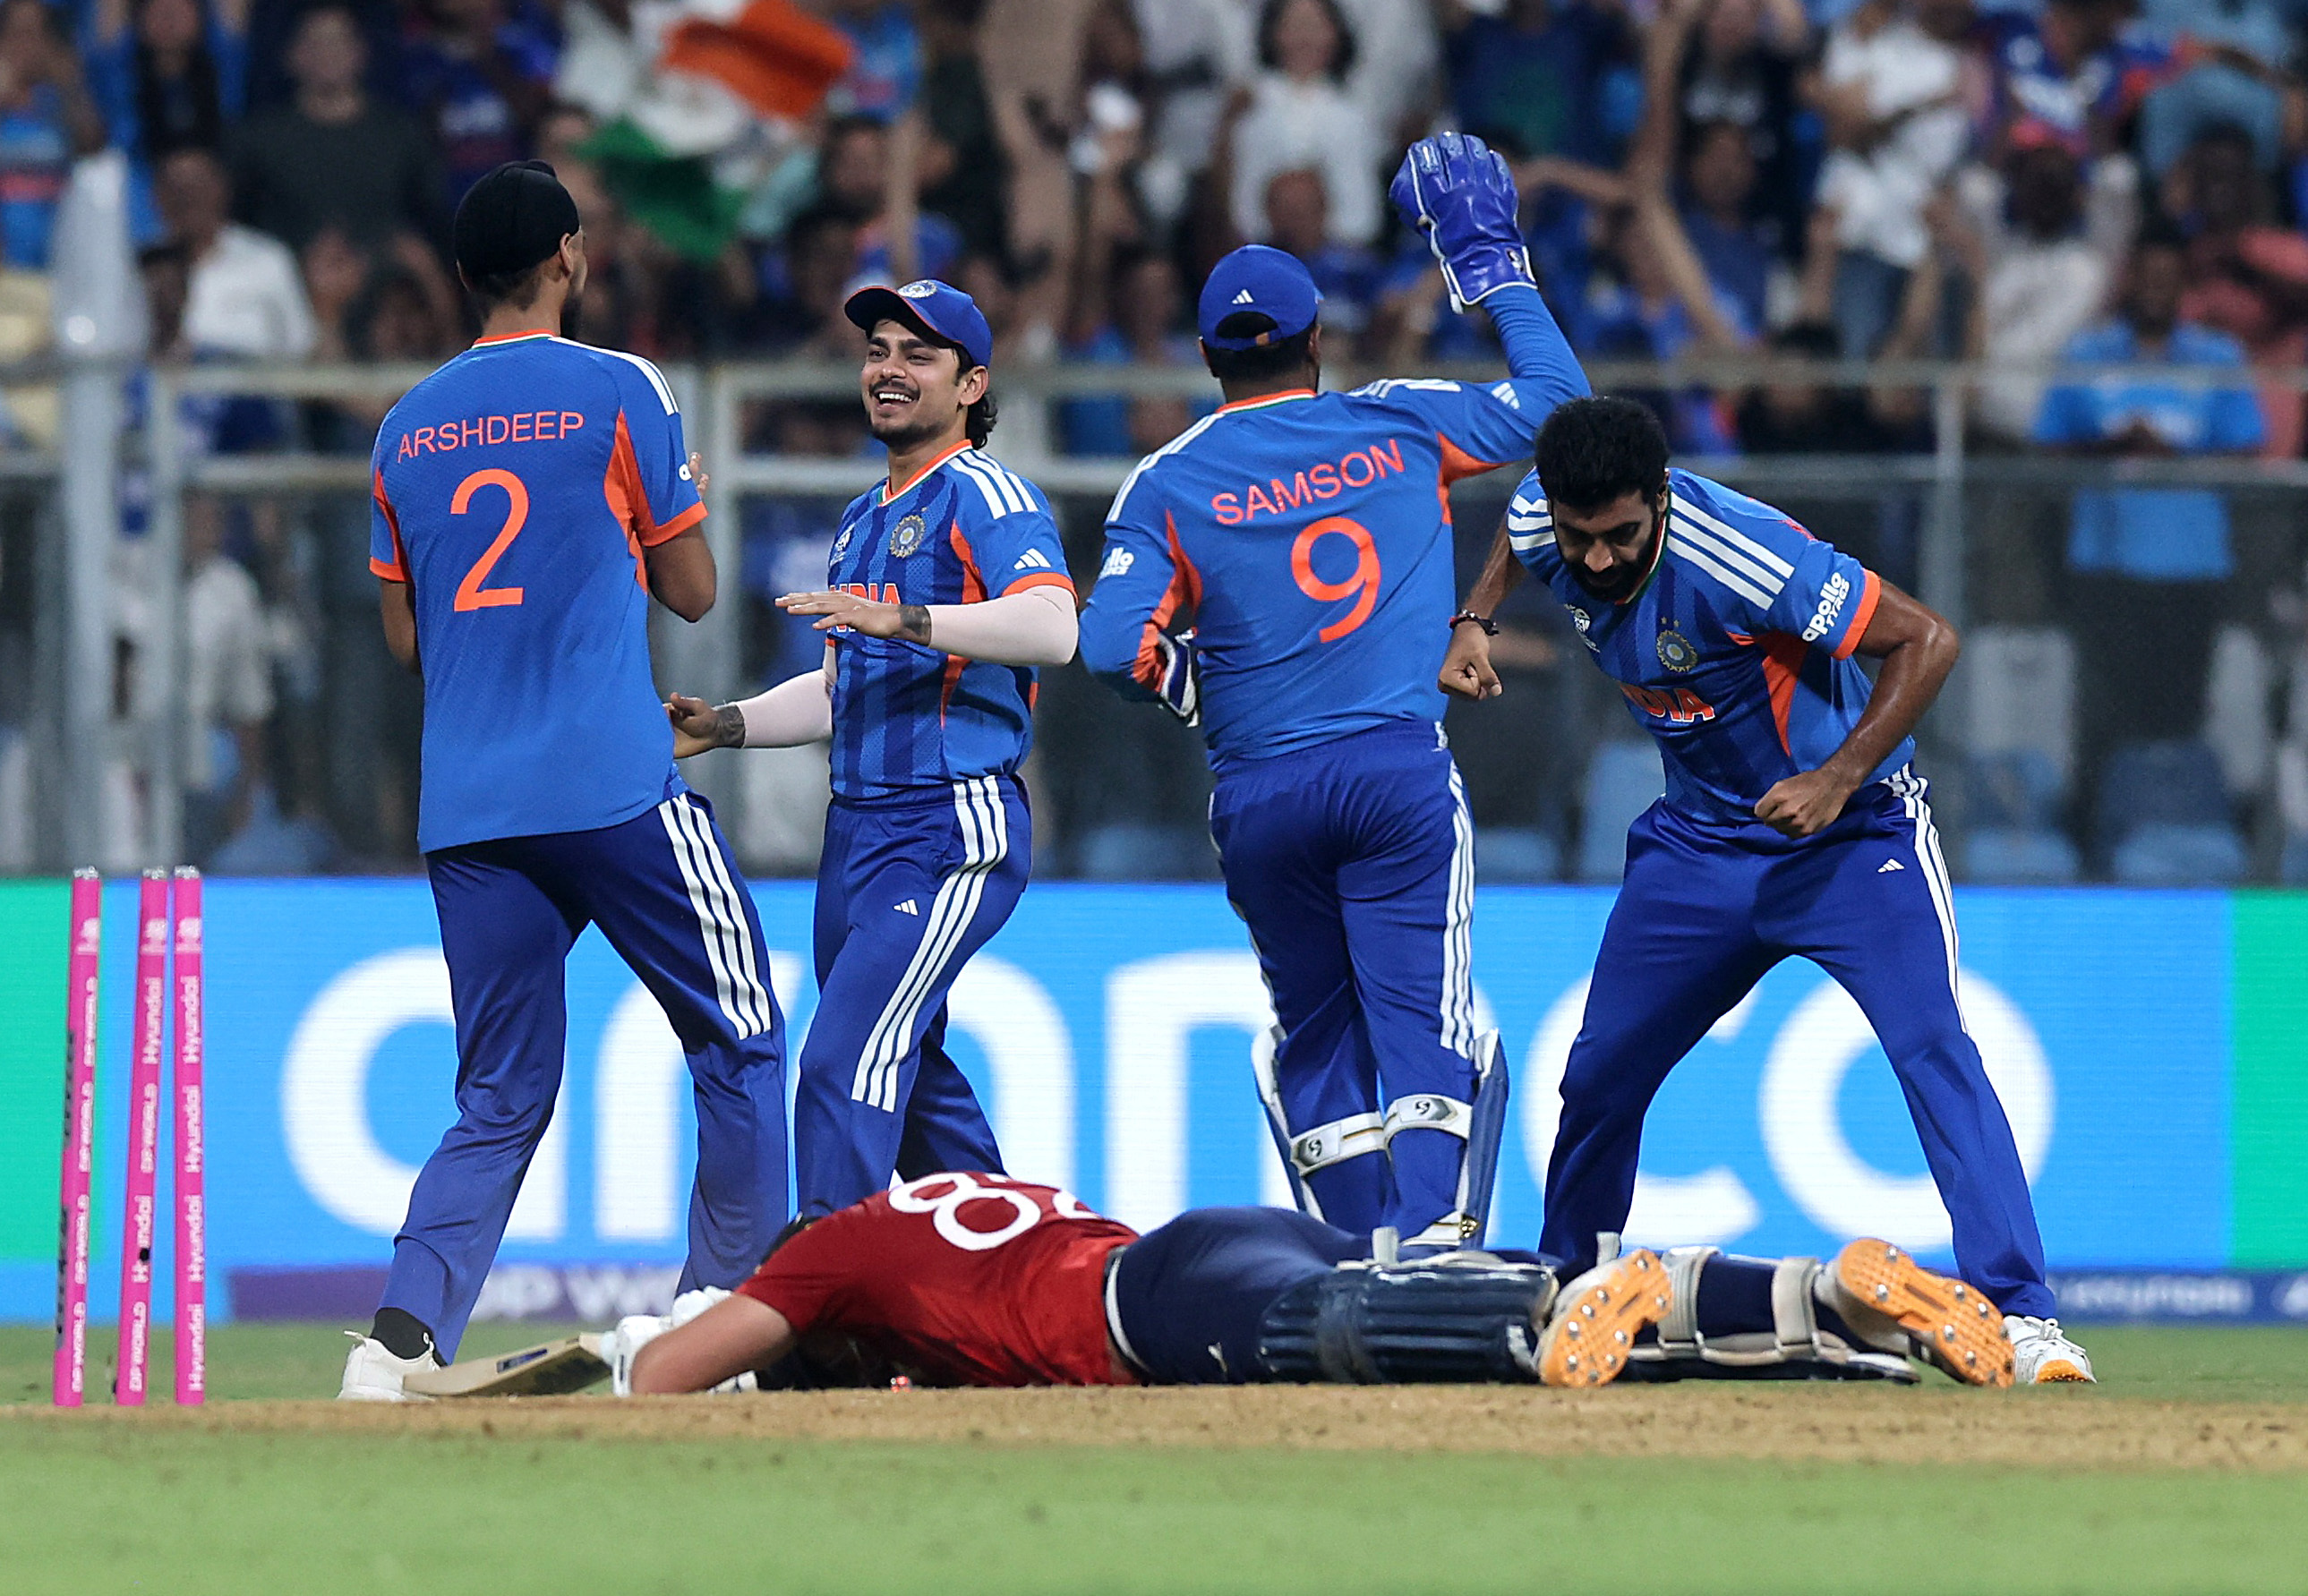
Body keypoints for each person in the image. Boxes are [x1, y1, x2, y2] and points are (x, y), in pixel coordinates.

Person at [1440, 395, 2095, 1386]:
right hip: (1699, 848)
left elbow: (1928, 639)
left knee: (1933, 1051)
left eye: (1622, 535)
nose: (1600, 560)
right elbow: (1520, 521)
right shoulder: (1546, 515)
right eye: (1581, 539)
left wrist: (1835, 778)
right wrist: (1476, 618)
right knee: (1599, 1077)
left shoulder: (1749, 557)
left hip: (1851, 839)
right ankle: (1567, 1298)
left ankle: (2024, 1317)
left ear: (1661, 499)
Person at [1078, 135, 1588, 1250]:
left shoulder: (1167, 480)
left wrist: (1194, 690)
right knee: (1423, 1025)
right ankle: (1433, 1250)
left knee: (1313, 1035)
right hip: (1393, 772)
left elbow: (1109, 646)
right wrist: (1488, 263)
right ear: (1316, 340)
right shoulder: (1395, 421)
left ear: (1207, 357)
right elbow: (1562, 408)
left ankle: (1356, 1263)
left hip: (1260, 792)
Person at [339, 161, 790, 1399]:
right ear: (567, 258)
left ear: (461, 275)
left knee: (497, 1093)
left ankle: (396, 1344)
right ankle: (716, 1330)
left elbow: (406, 640)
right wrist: (619, 544)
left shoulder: (404, 426)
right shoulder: (620, 386)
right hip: (611, 784)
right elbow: (693, 591)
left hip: (470, 805)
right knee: (742, 1036)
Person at [665, 278, 1075, 1217]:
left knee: (844, 1062)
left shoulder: (987, 492)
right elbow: (835, 690)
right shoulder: (858, 520)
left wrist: (905, 618)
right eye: (878, 350)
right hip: (855, 834)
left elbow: (1055, 626)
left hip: (949, 823)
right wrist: (724, 724)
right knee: (913, 1077)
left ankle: (827, 1289)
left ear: (971, 385)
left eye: (917, 356)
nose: (889, 370)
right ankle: (1017, 1265)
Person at [610, 1173, 2019, 1394]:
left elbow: (667, 1369)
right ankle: (1822, 1293)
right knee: (1523, 1276)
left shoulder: (830, 1251)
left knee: (1341, 1333)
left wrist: (692, 1358)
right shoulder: (941, 1205)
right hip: (1205, 1234)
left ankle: (1541, 1322)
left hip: (1147, 1308)